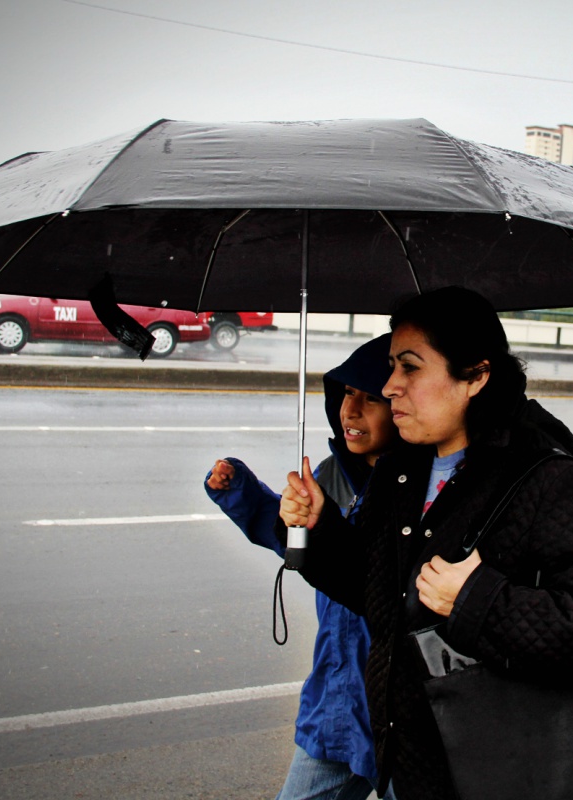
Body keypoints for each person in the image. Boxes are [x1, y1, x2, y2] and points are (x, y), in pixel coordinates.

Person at [279, 286, 573, 800]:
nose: (389, 387)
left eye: (410, 368)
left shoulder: (544, 477)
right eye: (391, 367)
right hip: (410, 762)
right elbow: (376, 594)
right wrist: (320, 529)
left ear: (475, 375)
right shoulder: (401, 470)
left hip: (498, 767)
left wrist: (477, 600)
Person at [206, 333, 397, 800]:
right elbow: (292, 538)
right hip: (336, 699)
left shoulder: (419, 490)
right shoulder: (330, 474)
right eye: (347, 393)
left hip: (399, 707)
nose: (351, 411)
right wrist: (244, 493)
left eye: (372, 399)